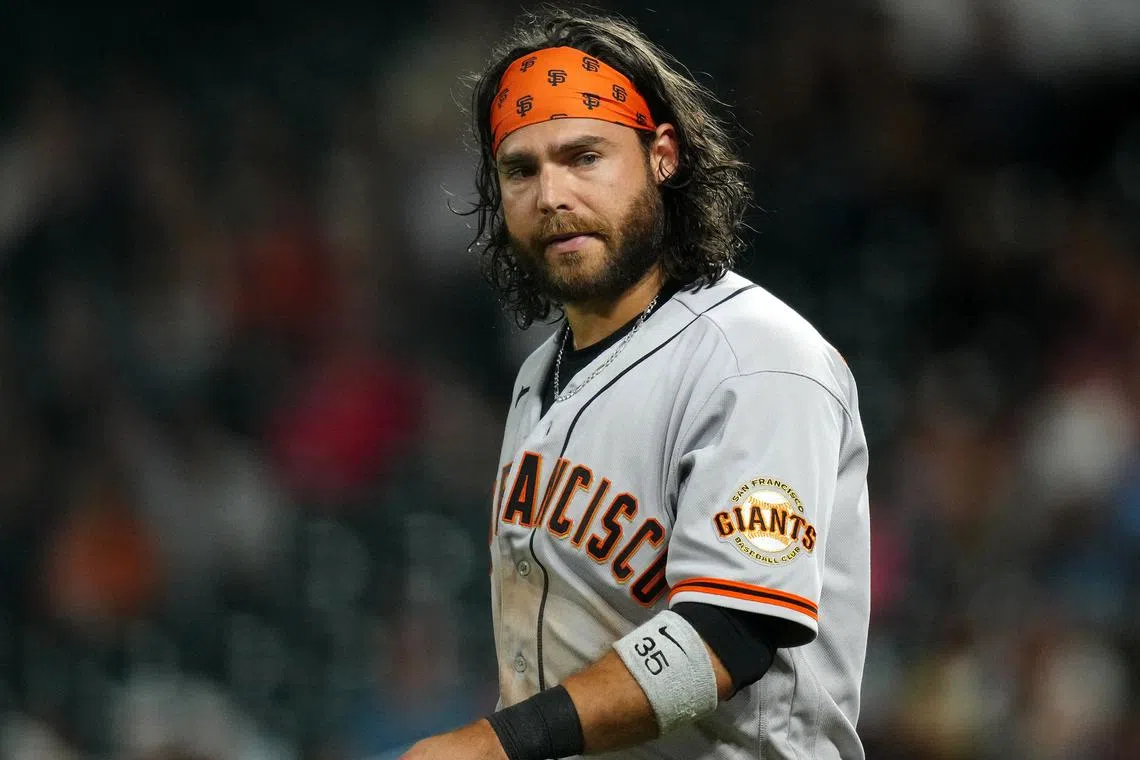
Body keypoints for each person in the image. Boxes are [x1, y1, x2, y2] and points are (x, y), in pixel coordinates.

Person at [403, 8, 870, 760]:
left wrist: (496, 744)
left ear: (662, 157)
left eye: (584, 156)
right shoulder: (537, 377)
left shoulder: (755, 357)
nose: (551, 194)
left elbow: (731, 636)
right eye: (521, 170)